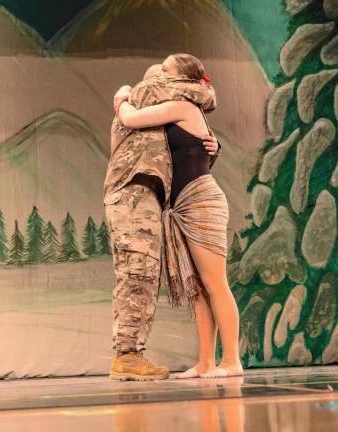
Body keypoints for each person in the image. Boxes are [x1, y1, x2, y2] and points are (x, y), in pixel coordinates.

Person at [117, 53, 243, 378]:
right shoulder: (178, 110)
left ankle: (231, 360)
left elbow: (131, 118)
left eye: (165, 69)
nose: (160, 73)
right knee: (197, 287)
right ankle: (205, 362)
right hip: (180, 206)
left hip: (199, 200)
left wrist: (121, 99)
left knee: (215, 283)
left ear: (181, 79)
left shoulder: (183, 105)